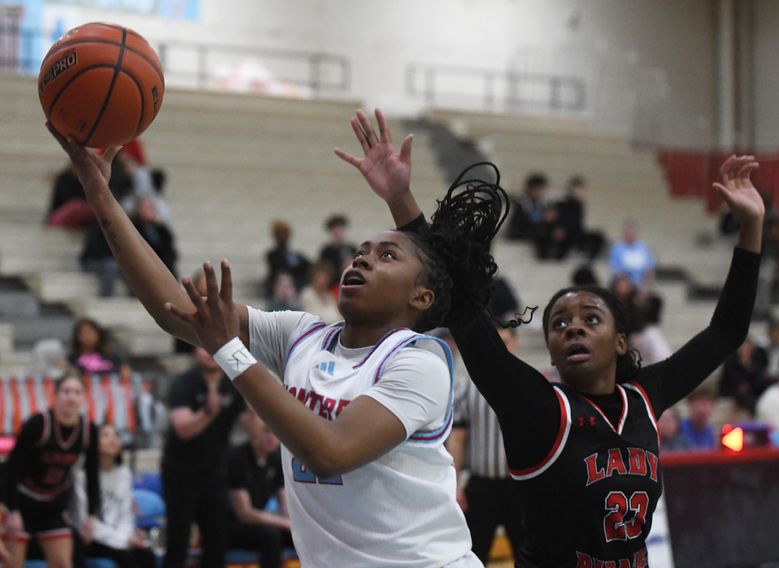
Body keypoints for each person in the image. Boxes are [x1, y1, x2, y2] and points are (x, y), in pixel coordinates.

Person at [48, 118, 501, 568]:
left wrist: (229, 350)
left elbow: (330, 453)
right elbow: (174, 309)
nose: (362, 259)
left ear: (421, 297)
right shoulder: (301, 334)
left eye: (387, 255)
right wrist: (101, 196)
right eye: (361, 250)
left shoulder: (420, 363)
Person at [340, 111, 762, 567]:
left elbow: (727, 331)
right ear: (554, 353)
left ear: (621, 342)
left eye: (590, 319)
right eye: (558, 323)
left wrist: (751, 227)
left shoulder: (644, 397)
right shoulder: (539, 410)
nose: (573, 327)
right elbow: (463, 308)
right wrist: (402, 200)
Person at [160, 346, 246, 568]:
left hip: (215, 472)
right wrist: (209, 411)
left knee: (216, 544)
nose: (209, 351)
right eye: (202, 346)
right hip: (180, 474)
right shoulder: (183, 382)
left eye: (213, 346)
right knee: (178, 543)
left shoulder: (234, 382)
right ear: (194, 351)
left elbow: (252, 422)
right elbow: (183, 429)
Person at [3, 375, 100, 568]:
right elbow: (9, 469)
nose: (71, 397)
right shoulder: (38, 424)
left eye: (77, 392)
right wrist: (12, 511)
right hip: (22, 500)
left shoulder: (88, 430)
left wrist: (91, 515)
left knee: (63, 563)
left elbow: (92, 474)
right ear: (55, 395)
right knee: (12, 564)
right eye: (66, 391)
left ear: (84, 398)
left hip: (53, 503)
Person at [447, 323, 524, 564]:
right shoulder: (469, 386)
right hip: (482, 488)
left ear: (515, 344)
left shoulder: (529, 386)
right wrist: (456, 484)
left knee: (529, 556)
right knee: (474, 555)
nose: (501, 349)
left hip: (520, 488)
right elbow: (458, 438)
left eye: (506, 343)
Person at [71, 423, 157, 568]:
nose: (113, 439)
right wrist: (123, 539)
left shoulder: (123, 473)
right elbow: (84, 522)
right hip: (91, 538)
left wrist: (129, 536)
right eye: (105, 435)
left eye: (116, 435)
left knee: (148, 555)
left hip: (119, 536)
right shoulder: (80, 476)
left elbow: (126, 515)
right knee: (128, 558)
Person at [226, 409, 291, 568]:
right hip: (230, 526)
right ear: (255, 431)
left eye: (275, 433)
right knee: (270, 536)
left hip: (259, 523)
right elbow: (245, 514)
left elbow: (285, 503)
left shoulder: (275, 460)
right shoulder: (237, 458)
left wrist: (295, 524)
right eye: (266, 432)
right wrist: (282, 522)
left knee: (300, 536)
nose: (271, 438)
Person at [551, 175, 606, 260]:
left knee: (598, 237)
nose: (581, 192)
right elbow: (558, 219)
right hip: (567, 233)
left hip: (576, 233)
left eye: (582, 189)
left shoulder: (579, 205)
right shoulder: (562, 203)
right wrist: (559, 228)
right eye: (579, 189)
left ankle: (589, 256)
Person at [506, 173, 559, 259]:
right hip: (519, 231)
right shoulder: (521, 201)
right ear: (530, 188)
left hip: (533, 230)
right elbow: (523, 220)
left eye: (541, 189)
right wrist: (543, 218)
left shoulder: (541, 202)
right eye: (537, 189)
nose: (540, 192)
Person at [264, 220, 310, 297]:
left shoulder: (295, 255)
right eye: (280, 235)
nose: (283, 238)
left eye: (285, 235)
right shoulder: (272, 255)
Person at [608, 220, 657, 288]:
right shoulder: (617, 248)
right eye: (628, 232)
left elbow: (649, 267)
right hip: (624, 286)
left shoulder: (643, 248)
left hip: (640, 285)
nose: (631, 235)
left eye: (632, 232)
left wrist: (647, 287)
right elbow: (616, 271)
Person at [317, 214, 357, 282]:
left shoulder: (352, 248)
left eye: (340, 230)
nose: (338, 233)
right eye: (335, 231)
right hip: (334, 283)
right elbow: (323, 271)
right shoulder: (326, 251)